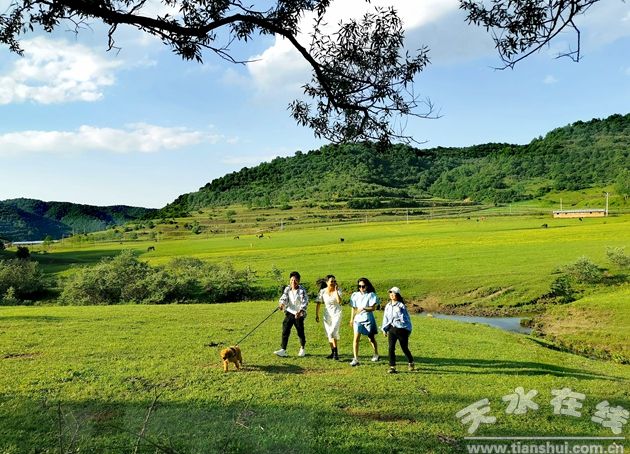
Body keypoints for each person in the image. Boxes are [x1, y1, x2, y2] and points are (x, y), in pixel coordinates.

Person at [274, 271, 308, 357]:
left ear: (299, 281)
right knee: (285, 329)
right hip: (289, 312)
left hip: (299, 313)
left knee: (300, 331)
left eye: (295, 280)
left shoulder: (302, 290)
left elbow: (305, 302)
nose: (293, 282)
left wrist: (300, 311)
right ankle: (283, 350)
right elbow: (284, 297)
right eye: (292, 280)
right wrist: (281, 304)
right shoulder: (287, 289)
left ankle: (302, 348)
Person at [381, 287, 414, 373]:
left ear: (397, 295)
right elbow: (385, 318)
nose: (392, 294)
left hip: (401, 329)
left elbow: (406, 319)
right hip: (391, 329)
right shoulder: (388, 306)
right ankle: (392, 366)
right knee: (391, 348)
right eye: (390, 293)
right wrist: (384, 329)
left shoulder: (401, 306)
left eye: (394, 293)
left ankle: (411, 362)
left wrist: (408, 329)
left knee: (404, 348)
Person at [348, 277, 380, 366]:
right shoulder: (355, 295)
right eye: (359, 286)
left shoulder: (371, 295)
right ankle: (356, 358)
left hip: (368, 318)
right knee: (356, 338)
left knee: (371, 338)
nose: (361, 288)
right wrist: (352, 319)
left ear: (367, 286)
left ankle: (376, 354)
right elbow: (353, 308)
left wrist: (363, 308)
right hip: (357, 319)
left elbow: (373, 308)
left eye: (363, 286)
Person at [315, 275, 343, 360]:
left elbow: (339, 301)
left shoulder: (338, 290)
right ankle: (333, 353)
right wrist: (317, 314)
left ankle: (335, 353)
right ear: (327, 282)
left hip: (336, 313)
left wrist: (336, 291)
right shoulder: (323, 291)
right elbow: (318, 303)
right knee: (329, 333)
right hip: (327, 315)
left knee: (332, 332)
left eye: (335, 281)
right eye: (332, 281)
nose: (334, 283)